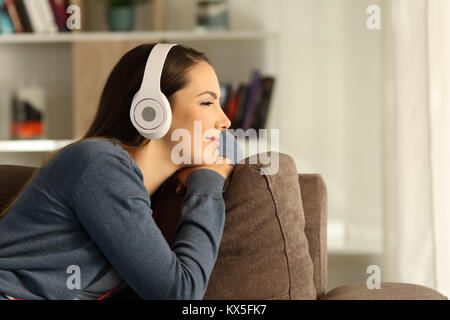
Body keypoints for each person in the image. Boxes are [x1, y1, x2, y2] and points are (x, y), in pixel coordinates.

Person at [0, 43, 239, 300]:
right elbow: (179, 294)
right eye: (207, 102)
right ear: (152, 110)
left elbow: (230, 145)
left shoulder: (142, 189)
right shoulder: (100, 165)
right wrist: (206, 184)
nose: (225, 120)